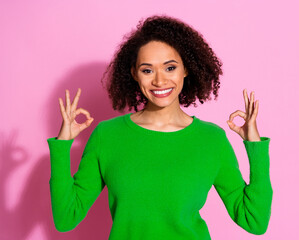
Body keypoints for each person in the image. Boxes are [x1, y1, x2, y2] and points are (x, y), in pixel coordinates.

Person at [47, 15, 273, 240]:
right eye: (147, 70)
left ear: (186, 69)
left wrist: (255, 146)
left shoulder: (212, 139)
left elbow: (254, 221)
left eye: (170, 68)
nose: (159, 81)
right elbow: (67, 218)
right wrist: (62, 146)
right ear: (135, 74)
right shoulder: (107, 135)